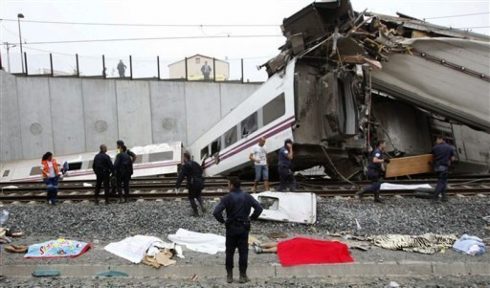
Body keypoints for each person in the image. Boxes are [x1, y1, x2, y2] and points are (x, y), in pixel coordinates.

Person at [213, 177, 263, 284]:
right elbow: (259, 208)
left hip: (231, 228)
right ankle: (242, 276)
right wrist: (251, 218)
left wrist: (223, 221)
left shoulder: (227, 198)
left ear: (231, 185)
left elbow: (216, 212)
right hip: (244, 228)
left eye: (228, 184)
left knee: (229, 252)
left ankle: (229, 276)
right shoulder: (247, 196)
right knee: (243, 252)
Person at [176, 152, 206, 216]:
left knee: (191, 197)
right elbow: (201, 170)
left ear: (185, 157)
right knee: (198, 195)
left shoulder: (186, 165)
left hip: (192, 184)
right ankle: (202, 206)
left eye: (183, 157)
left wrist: (177, 186)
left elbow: (181, 176)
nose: (182, 159)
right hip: (200, 182)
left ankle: (196, 212)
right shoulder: (195, 163)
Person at [431, 136, 455, 202]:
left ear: (440, 139)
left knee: (443, 182)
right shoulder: (450, 147)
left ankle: (444, 197)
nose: (436, 141)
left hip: (437, 167)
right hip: (444, 167)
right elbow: (452, 158)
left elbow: (432, 156)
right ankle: (435, 197)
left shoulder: (435, 147)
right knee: (441, 182)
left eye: (437, 140)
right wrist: (451, 163)